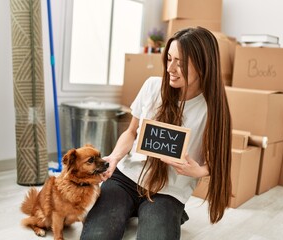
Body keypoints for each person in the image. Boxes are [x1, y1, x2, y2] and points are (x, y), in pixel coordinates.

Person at [80, 26, 232, 240]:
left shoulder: (211, 109)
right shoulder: (152, 86)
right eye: (169, 58)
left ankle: (166, 213)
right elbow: (131, 132)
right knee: (96, 236)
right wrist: (113, 158)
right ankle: (137, 209)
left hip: (167, 191)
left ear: (202, 64)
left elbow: (218, 162)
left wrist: (197, 171)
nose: (171, 68)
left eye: (180, 62)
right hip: (126, 177)